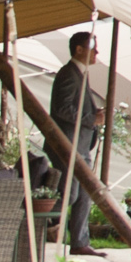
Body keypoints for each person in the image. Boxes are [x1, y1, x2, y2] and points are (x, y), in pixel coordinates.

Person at [49, 31, 103, 240]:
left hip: (80, 144)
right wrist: (91, 119)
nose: (96, 52)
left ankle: (80, 240)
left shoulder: (79, 73)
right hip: (68, 144)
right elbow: (62, 108)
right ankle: (39, 218)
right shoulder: (68, 73)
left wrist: (93, 115)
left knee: (84, 194)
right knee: (69, 195)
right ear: (79, 49)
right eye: (92, 47)